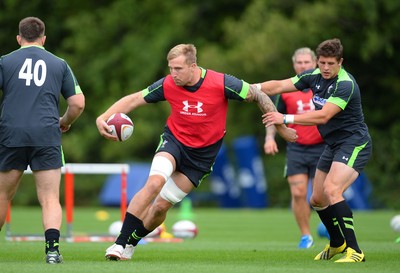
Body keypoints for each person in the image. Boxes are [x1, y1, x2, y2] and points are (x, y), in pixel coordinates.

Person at [96, 43, 297, 261]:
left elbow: (258, 94)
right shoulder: (168, 84)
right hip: (174, 142)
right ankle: (118, 243)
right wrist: (102, 117)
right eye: (171, 68)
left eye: (178, 69)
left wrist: (281, 128)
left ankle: (132, 242)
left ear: (193, 66)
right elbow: (134, 99)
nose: (173, 74)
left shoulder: (221, 82)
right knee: (153, 183)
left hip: (201, 157)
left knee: (160, 208)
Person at [259, 38, 372, 263]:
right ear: (317, 62)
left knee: (332, 190)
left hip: (353, 142)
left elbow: (323, 115)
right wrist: (247, 88)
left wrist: (285, 118)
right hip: (332, 145)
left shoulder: (345, 83)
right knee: (317, 199)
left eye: (331, 63)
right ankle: (337, 243)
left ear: (340, 62)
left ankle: (355, 250)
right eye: (322, 63)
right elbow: (279, 86)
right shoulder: (313, 76)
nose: (326, 68)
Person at [0, 17, 85, 264]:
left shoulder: (5, 62)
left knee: (3, 195)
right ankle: (52, 251)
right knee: (49, 197)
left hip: (10, 135)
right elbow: (78, 103)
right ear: (43, 38)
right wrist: (65, 121)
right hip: (46, 135)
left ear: (19, 38)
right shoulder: (59, 64)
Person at [264, 47, 325, 249]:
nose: (303, 66)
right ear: (294, 65)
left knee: (320, 196)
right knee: (299, 193)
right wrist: (269, 138)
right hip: (297, 148)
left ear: (315, 63)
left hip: (323, 148)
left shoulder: (324, 86)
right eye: (299, 63)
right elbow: (273, 117)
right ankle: (306, 235)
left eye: (306, 62)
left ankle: (329, 226)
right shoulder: (287, 90)